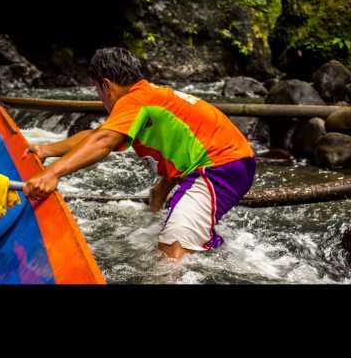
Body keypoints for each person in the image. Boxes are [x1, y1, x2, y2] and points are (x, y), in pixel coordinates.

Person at [24, 47, 256, 259]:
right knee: (182, 244)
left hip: (219, 167)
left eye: (97, 90)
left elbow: (103, 141)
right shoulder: (147, 95)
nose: (100, 98)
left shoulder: (136, 100)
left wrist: (51, 173)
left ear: (106, 85)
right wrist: (46, 149)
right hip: (230, 164)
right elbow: (98, 135)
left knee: (170, 252)